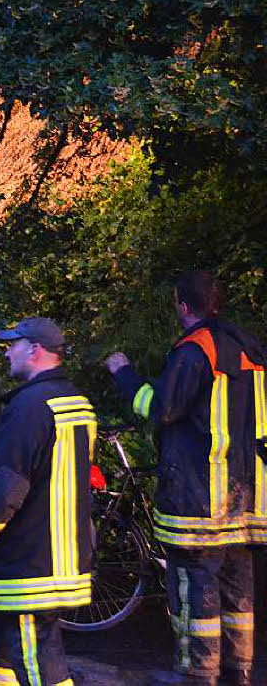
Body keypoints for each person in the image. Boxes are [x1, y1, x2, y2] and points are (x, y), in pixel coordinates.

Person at [105, 272, 261, 686]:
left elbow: (161, 408)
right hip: (245, 498)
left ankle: (199, 674)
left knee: (195, 586)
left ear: (183, 305)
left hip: (200, 495)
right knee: (237, 589)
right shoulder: (251, 348)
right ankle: (239, 671)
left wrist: (124, 374)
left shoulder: (195, 351)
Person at [0, 318, 95, 686]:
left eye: (12, 344)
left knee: (36, 661)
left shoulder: (29, 408)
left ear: (35, 350)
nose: (6, 351)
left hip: (28, 563)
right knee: (1, 654)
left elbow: (5, 489)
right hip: (55, 557)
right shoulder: (75, 403)